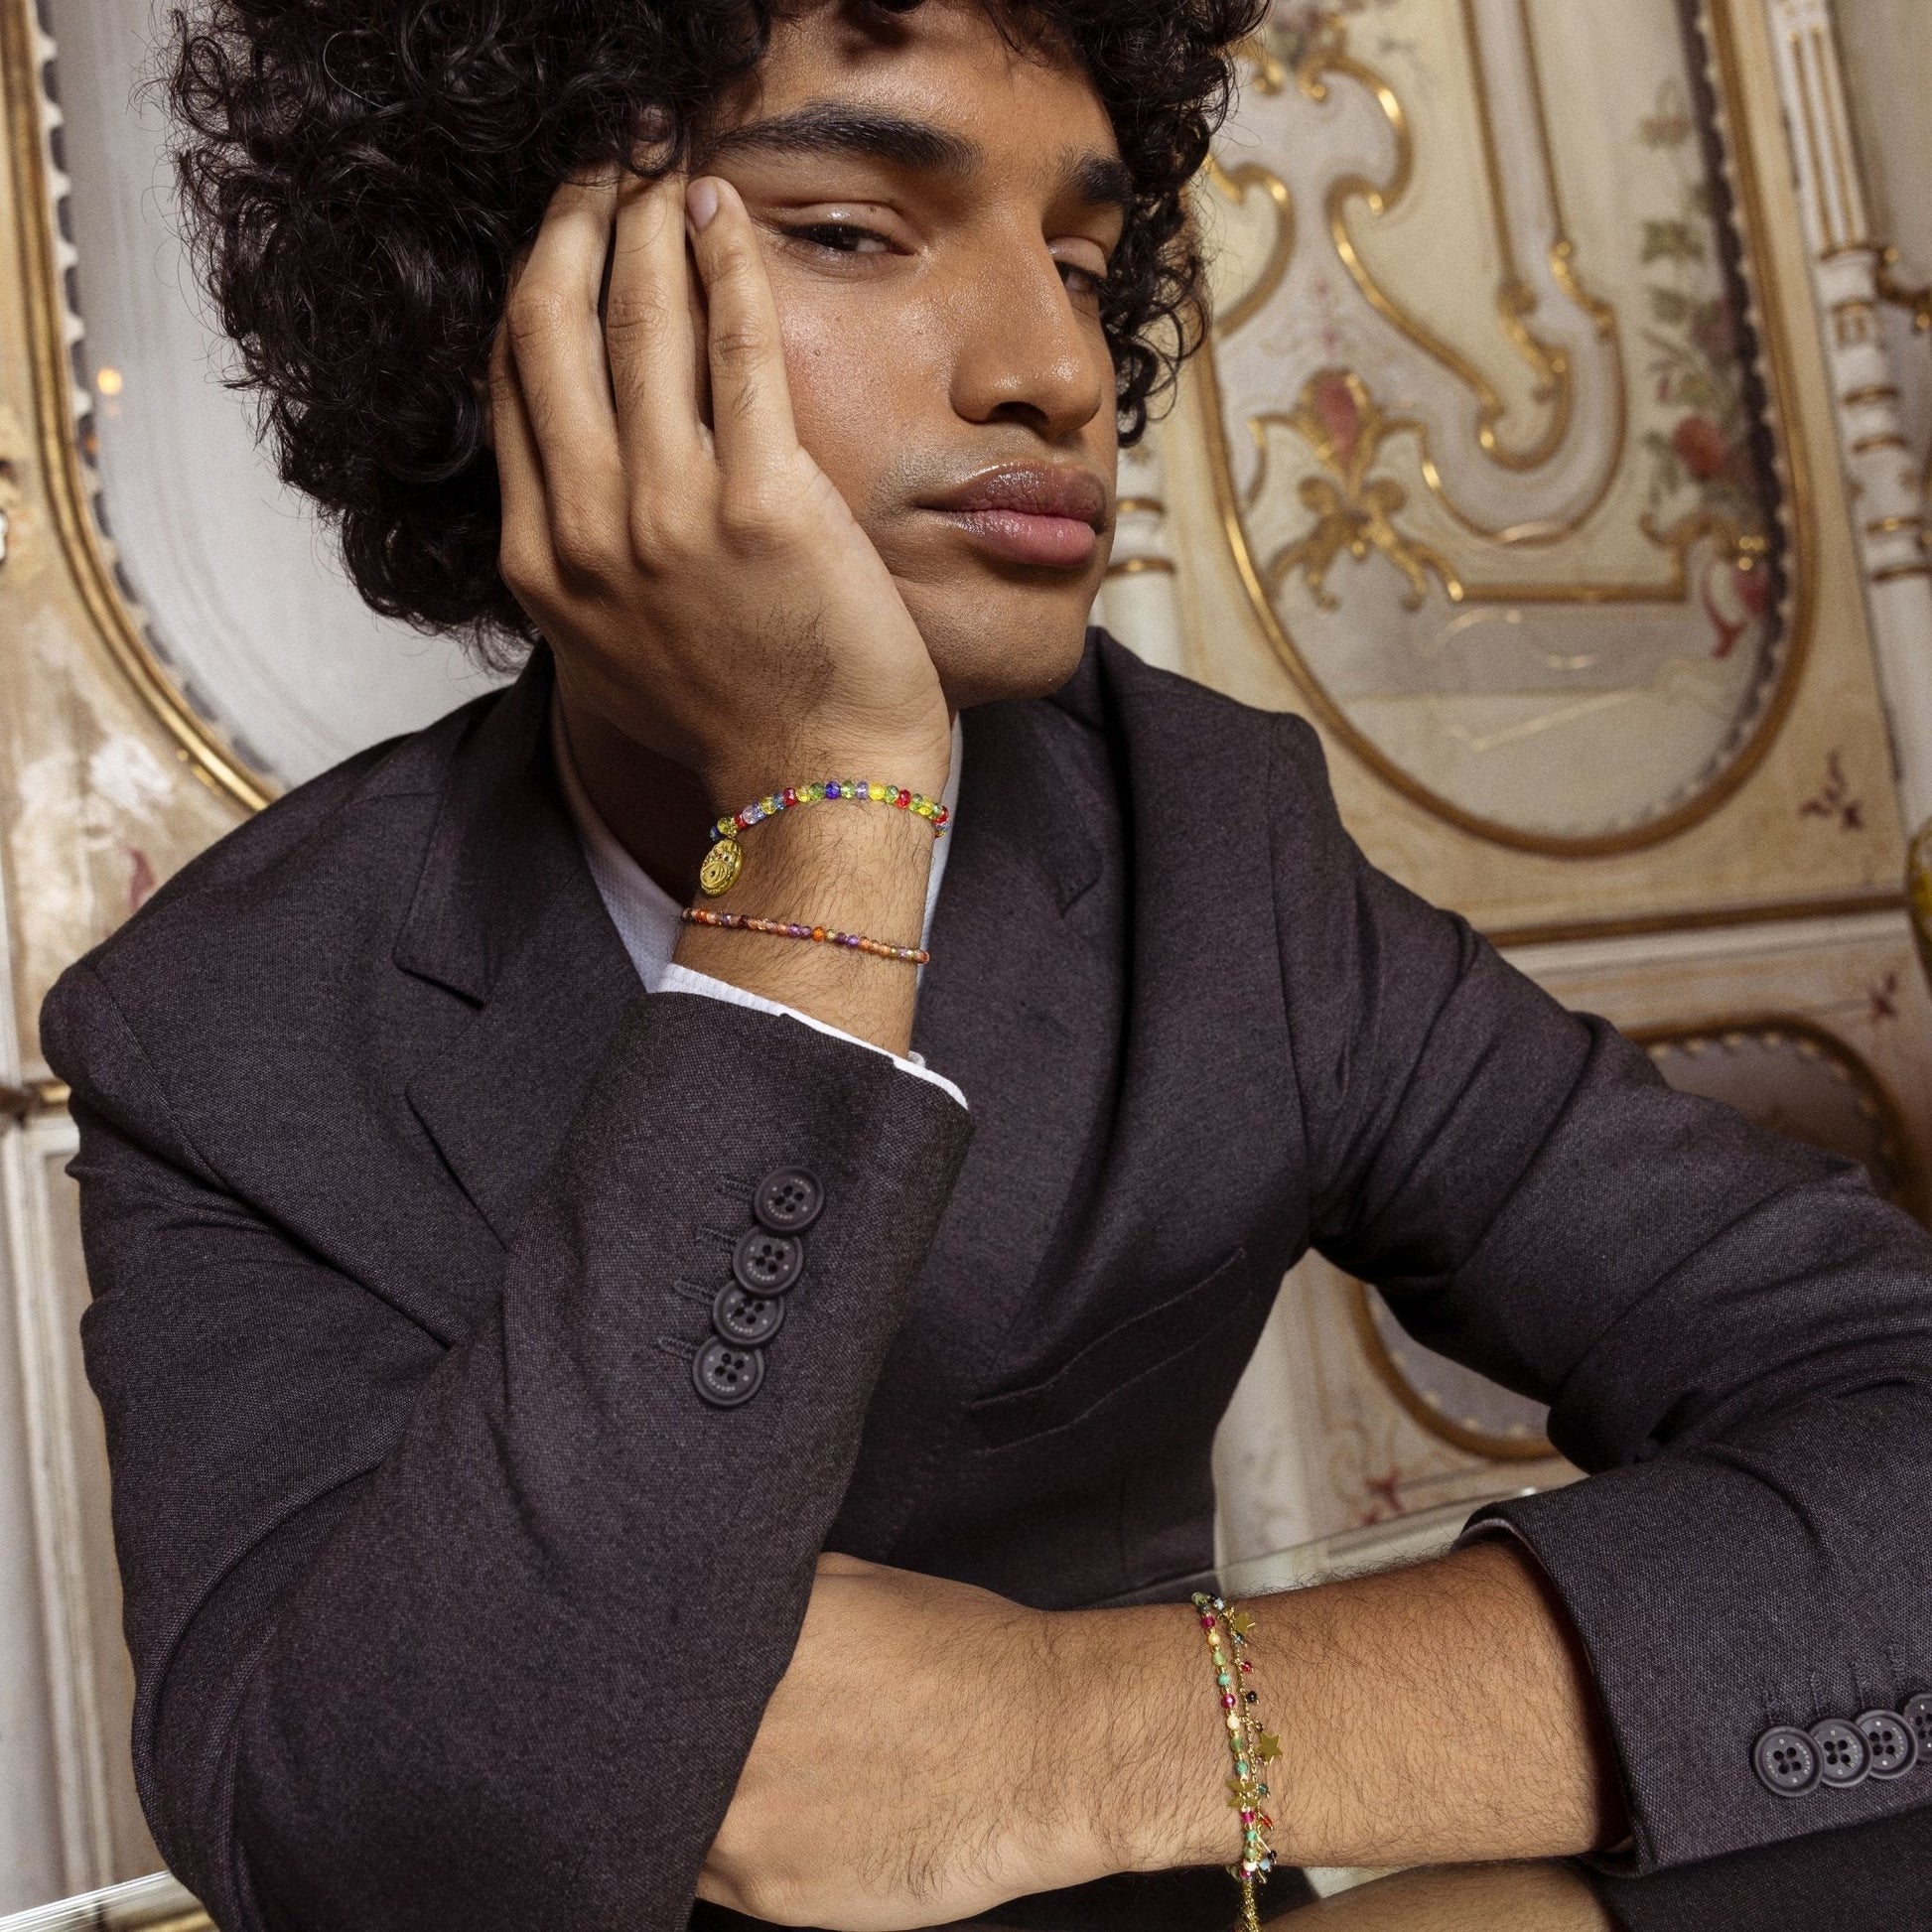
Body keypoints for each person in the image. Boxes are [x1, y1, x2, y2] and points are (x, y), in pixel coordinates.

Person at [41, 2, 1932, 1928]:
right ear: (509, 304)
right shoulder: (226, 1025)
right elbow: (393, 1872)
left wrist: (1087, 1733)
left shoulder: (1212, 840)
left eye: (1084, 264)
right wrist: (827, 815)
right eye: (850, 230)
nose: (1055, 368)